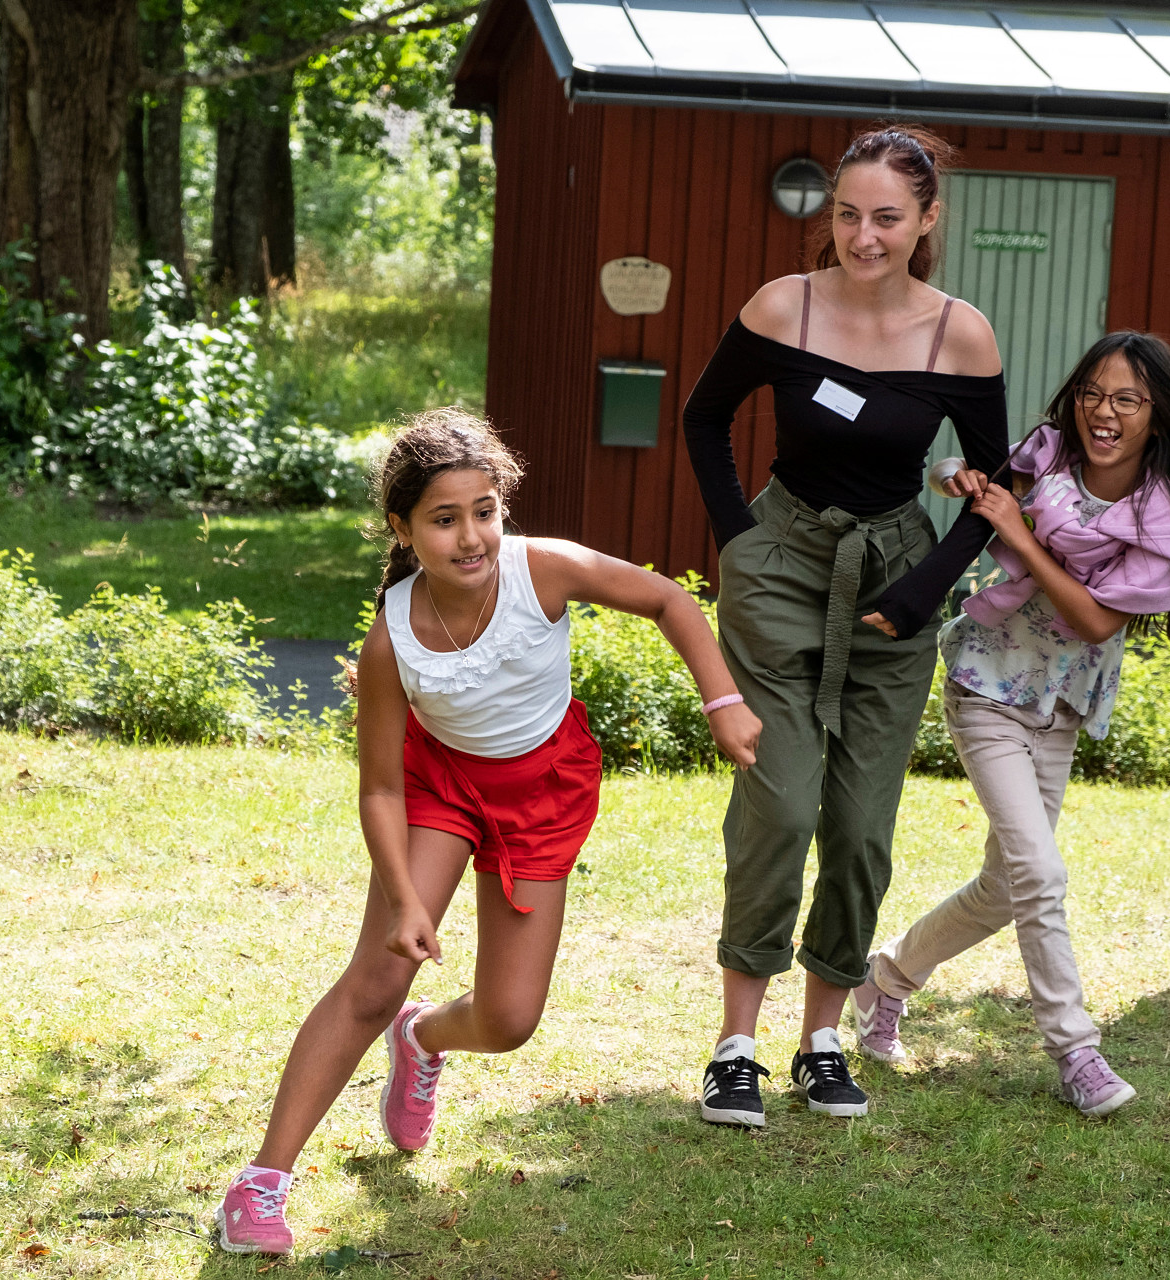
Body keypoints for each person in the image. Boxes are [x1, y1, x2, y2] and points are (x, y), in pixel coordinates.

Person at [215, 411, 761, 1255]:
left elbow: (665, 598)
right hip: (438, 786)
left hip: (542, 791)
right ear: (403, 529)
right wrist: (403, 900)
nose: (470, 536)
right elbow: (381, 787)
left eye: (484, 510)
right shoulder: (392, 638)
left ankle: (424, 1039)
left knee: (509, 1020)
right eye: (443, 518)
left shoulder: (541, 570)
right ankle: (260, 1185)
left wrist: (723, 703)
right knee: (375, 979)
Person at [679, 125, 1007, 1127]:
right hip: (783, 563)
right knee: (779, 805)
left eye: (888, 218)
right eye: (849, 214)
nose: (865, 236)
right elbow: (703, 418)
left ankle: (821, 1038)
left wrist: (926, 589)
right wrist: (743, 543)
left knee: (861, 826)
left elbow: (997, 484)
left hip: (894, 579)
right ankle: (735, 1043)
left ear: (927, 221)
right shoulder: (788, 303)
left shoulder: (961, 332)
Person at [852, 332, 1170, 1118]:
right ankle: (1076, 1050)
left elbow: (1097, 621)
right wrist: (957, 476)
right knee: (1041, 874)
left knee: (1009, 885)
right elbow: (958, 477)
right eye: (1093, 394)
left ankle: (884, 978)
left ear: (1156, 416)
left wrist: (1022, 533)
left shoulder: (1162, 515)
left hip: (1061, 705)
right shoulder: (1047, 454)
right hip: (987, 684)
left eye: (1127, 399)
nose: (1104, 412)